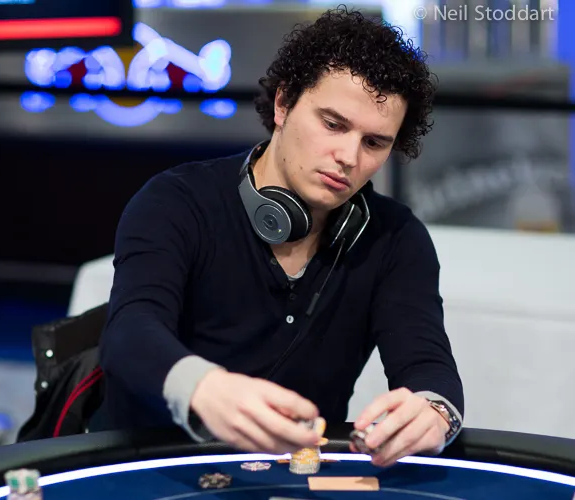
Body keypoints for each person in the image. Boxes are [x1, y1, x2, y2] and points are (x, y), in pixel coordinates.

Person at [95, 6, 464, 468]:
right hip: (154, 467)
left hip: (295, 476)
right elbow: (129, 333)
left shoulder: (395, 237)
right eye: (333, 124)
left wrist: (434, 413)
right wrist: (205, 388)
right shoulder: (177, 201)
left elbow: (428, 365)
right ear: (283, 104)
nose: (349, 157)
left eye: (374, 143)